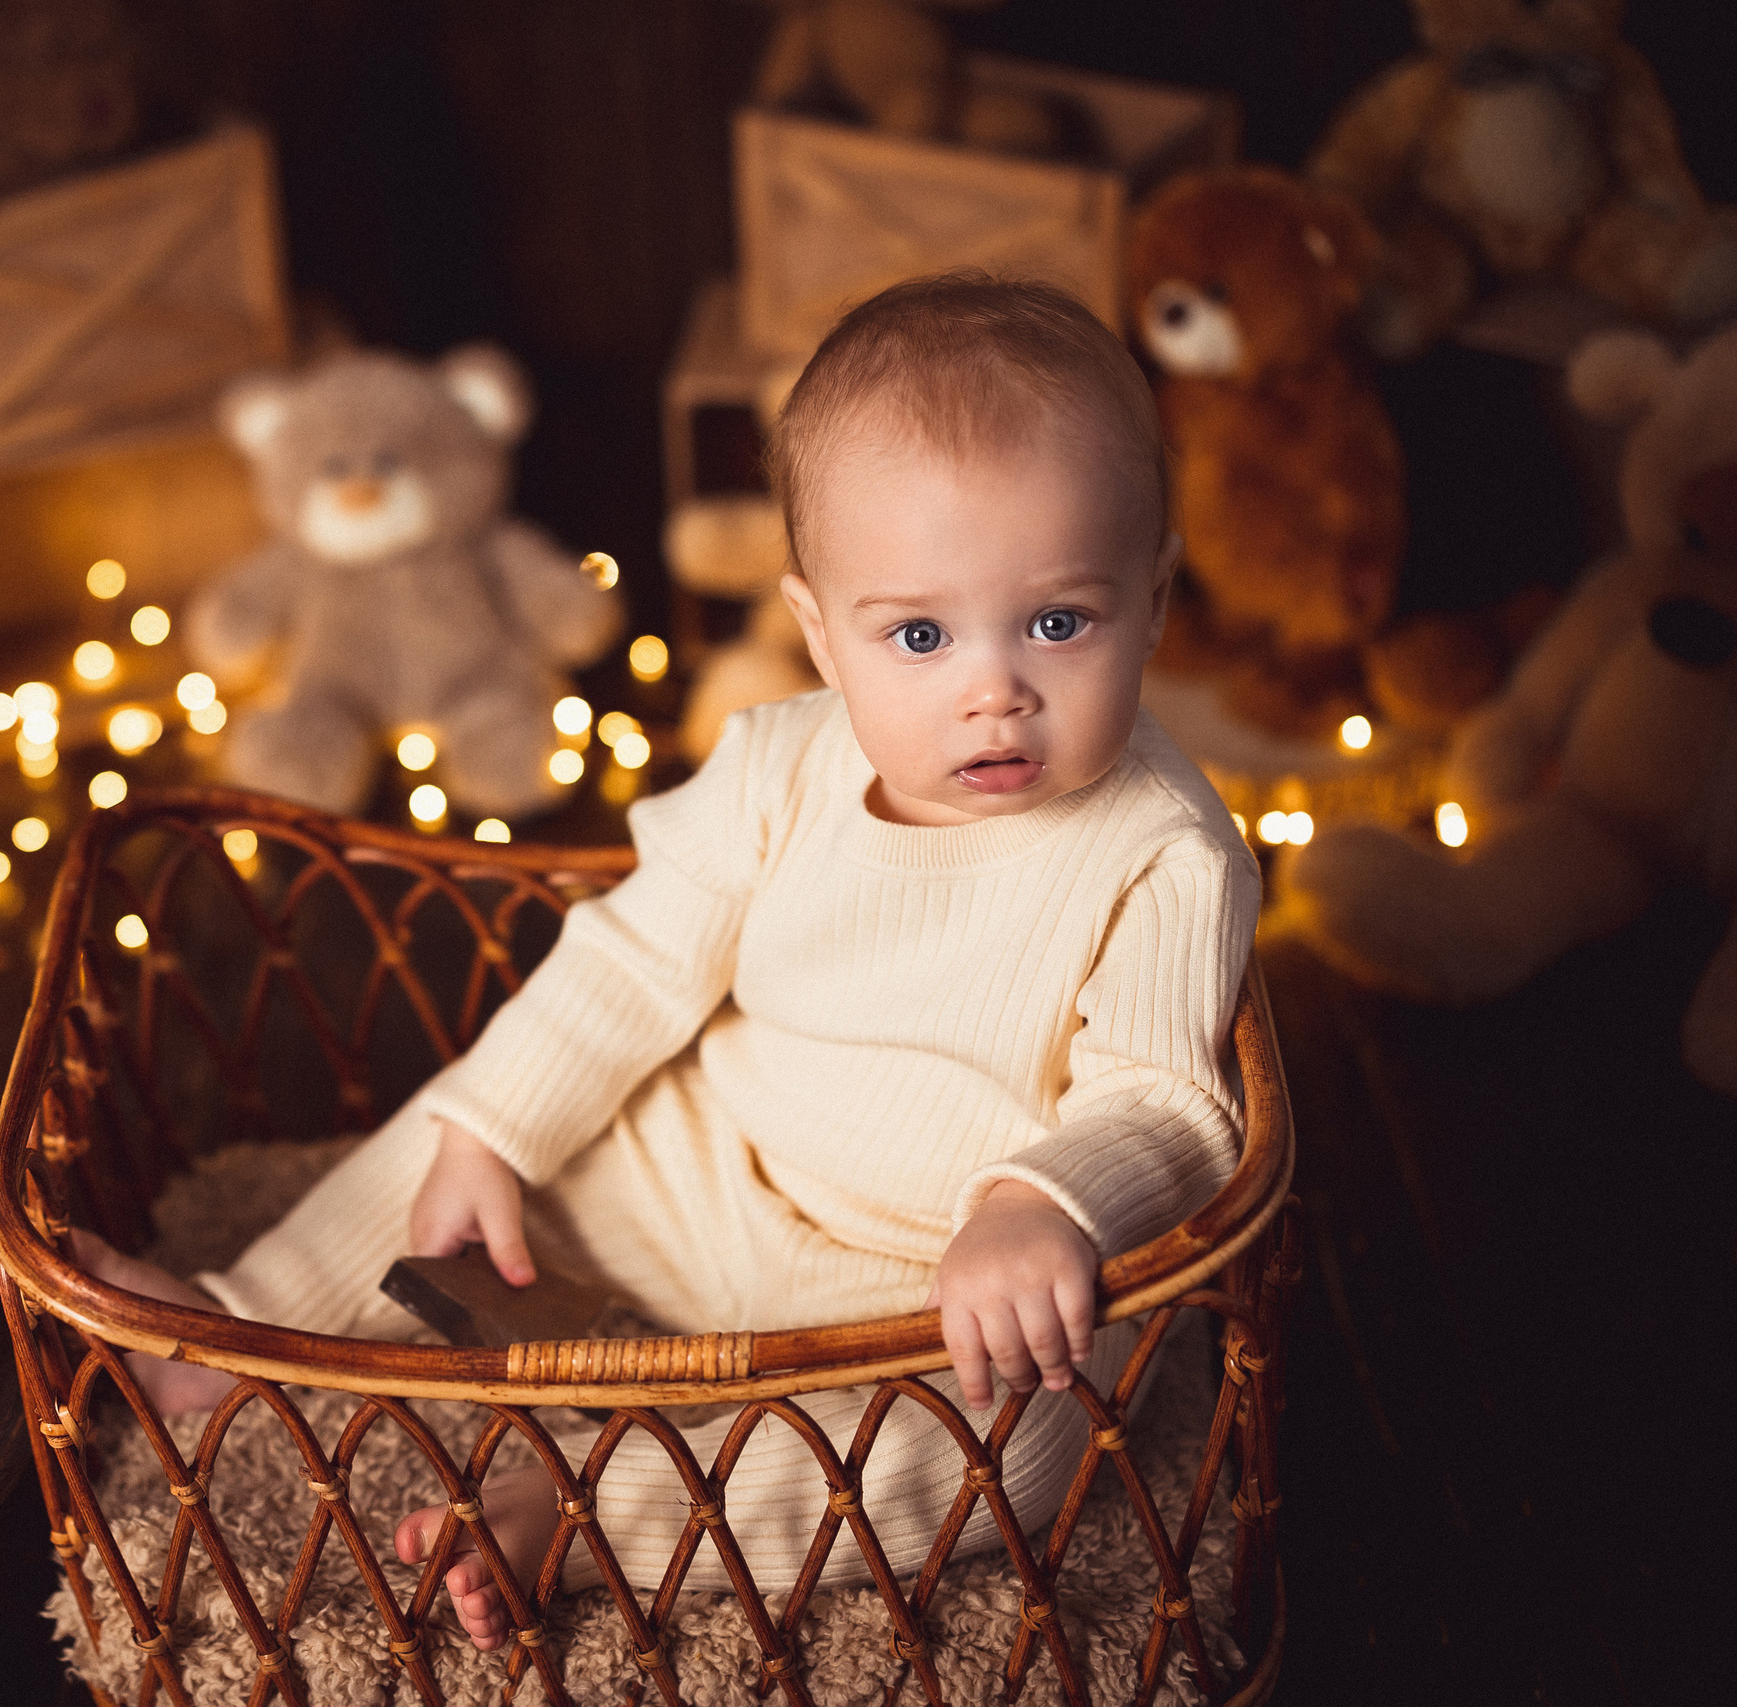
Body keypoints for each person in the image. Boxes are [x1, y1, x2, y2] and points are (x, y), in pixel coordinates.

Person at [73, 272, 1260, 1650]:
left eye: (1060, 621)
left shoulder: (1165, 848)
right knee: (477, 1139)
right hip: (710, 1177)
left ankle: (582, 1516)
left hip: (939, 1281)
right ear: (823, 633)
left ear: (1156, 596)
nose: (992, 689)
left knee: (1008, 1448)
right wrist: (497, 1134)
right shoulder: (778, 763)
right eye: (919, 637)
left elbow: (1171, 1103)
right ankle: (240, 1329)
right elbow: (626, 970)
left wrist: (1039, 1202)